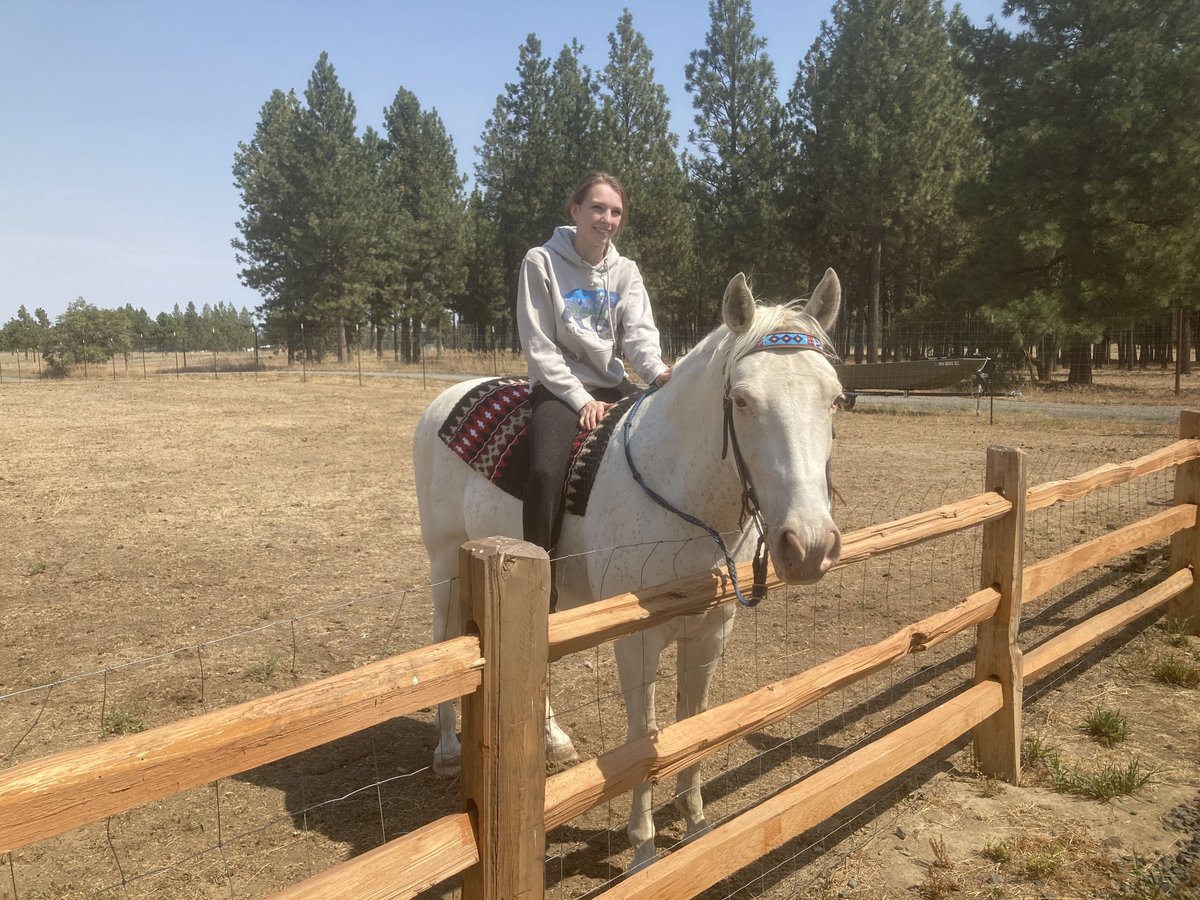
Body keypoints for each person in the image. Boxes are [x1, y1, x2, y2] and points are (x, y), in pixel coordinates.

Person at [517, 171, 671, 561]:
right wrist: (579, 398)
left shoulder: (626, 271)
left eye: (616, 212)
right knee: (546, 473)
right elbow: (539, 345)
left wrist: (658, 374)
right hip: (558, 387)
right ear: (576, 210)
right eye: (598, 208)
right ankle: (538, 575)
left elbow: (638, 335)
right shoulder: (541, 261)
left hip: (610, 382)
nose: (607, 219)